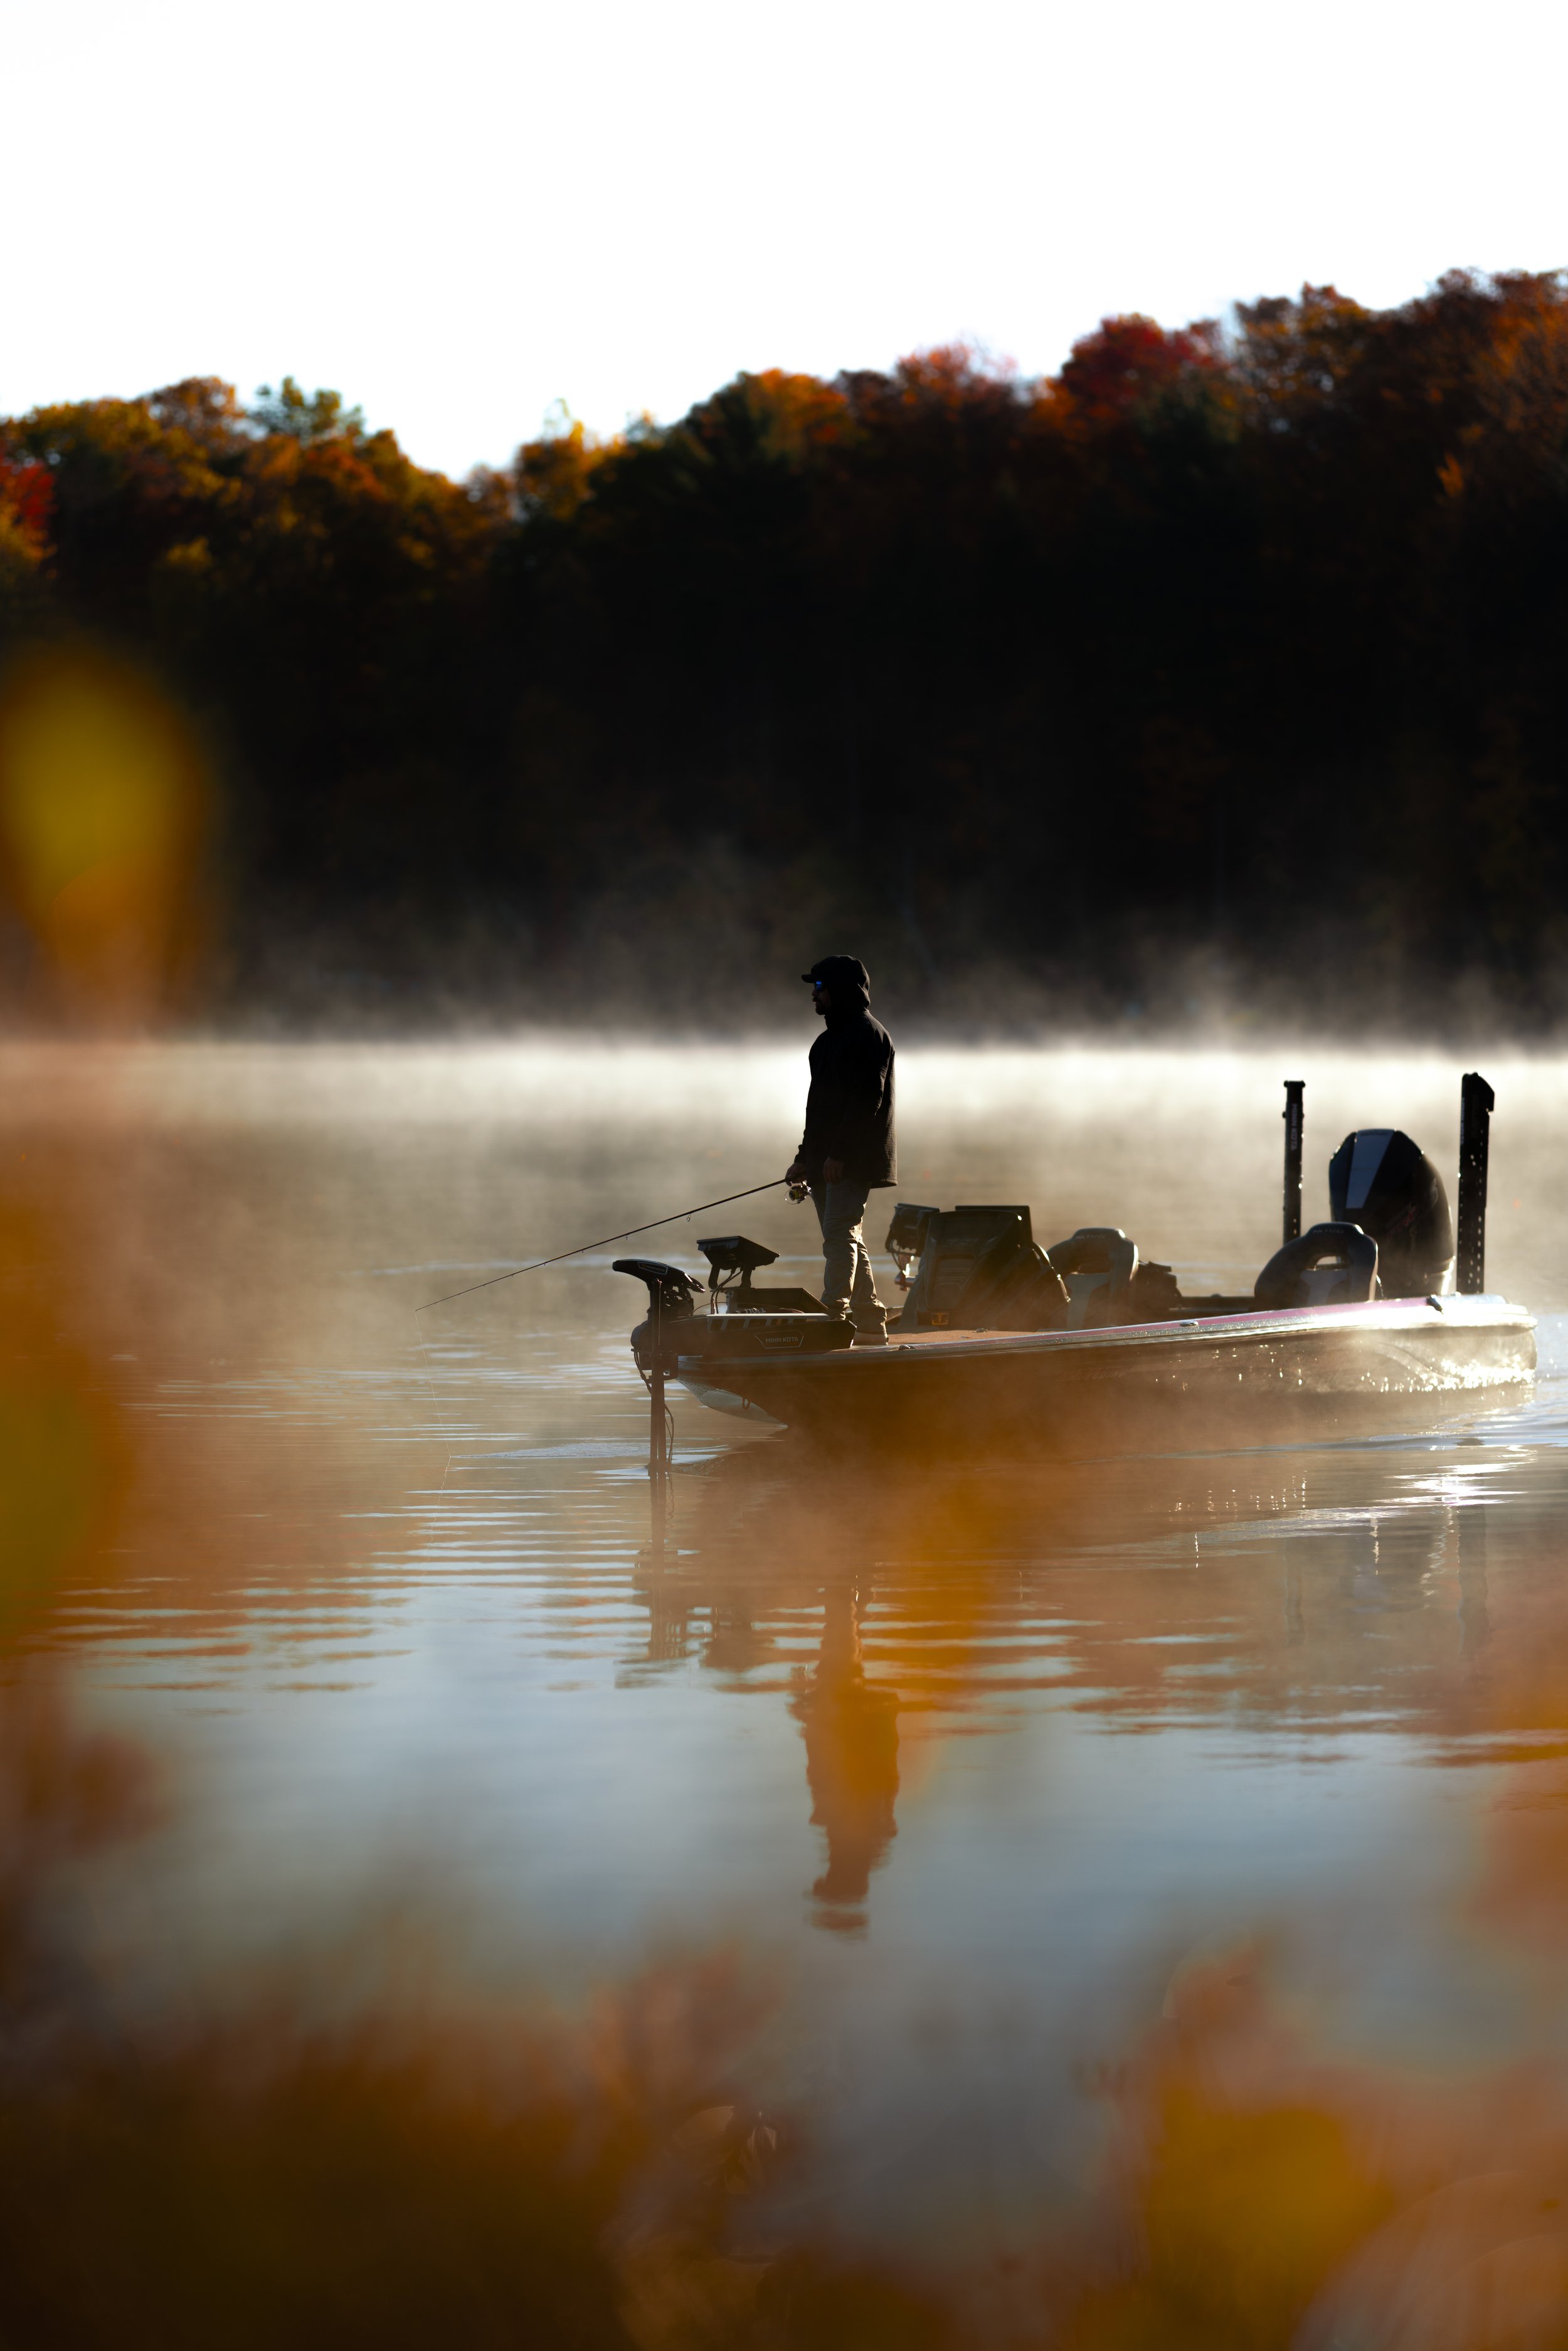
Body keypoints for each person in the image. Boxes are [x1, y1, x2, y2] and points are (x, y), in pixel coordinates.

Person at [785, 955, 896, 1342]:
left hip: (852, 1160)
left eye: (819, 988)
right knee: (847, 1239)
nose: (813, 996)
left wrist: (841, 1155)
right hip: (822, 1162)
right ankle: (871, 1323)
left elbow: (868, 1101)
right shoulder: (824, 1043)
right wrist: (804, 1157)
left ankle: (832, 1317)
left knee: (838, 1236)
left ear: (840, 990)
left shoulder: (870, 1036)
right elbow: (816, 1110)